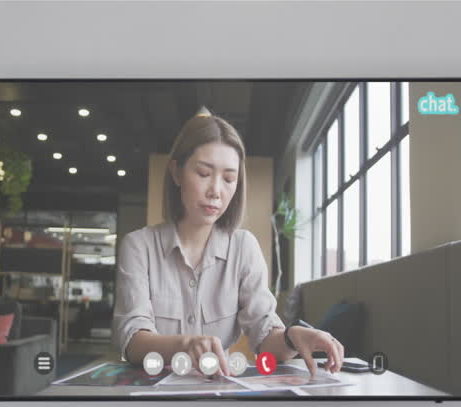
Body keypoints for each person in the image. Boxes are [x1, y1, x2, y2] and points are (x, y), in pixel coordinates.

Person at [112, 109, 344, 377]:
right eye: (203, 173)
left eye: (229, 179)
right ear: (176, 173)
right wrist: (186, 344)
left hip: (218, 396)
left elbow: (265, 334)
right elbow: (132, 341)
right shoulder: (139, 246)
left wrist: (293, 336)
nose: (216, 191)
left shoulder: (244, 247)